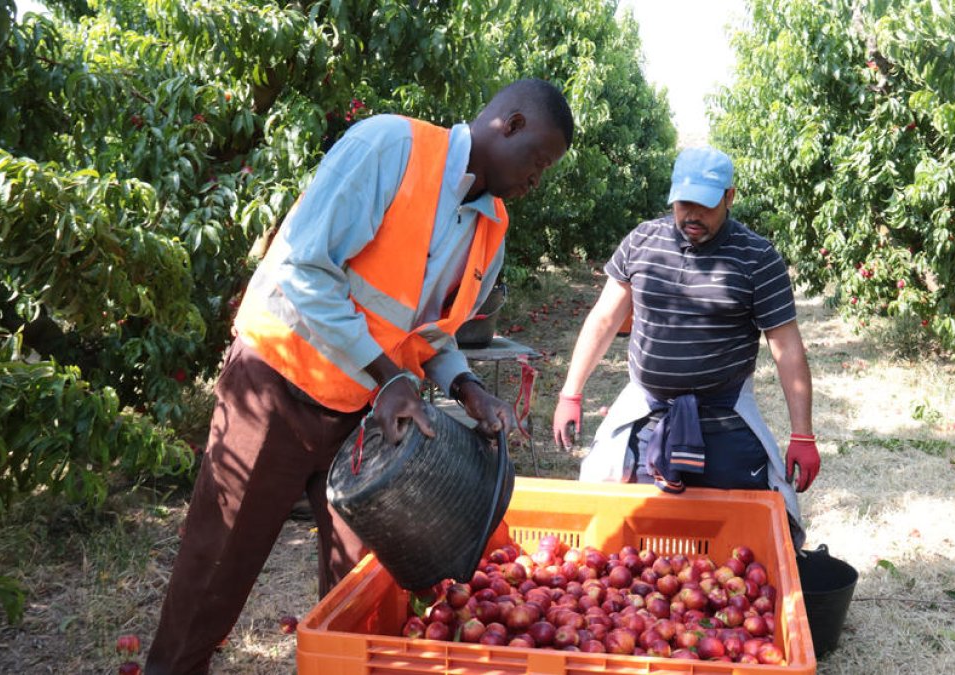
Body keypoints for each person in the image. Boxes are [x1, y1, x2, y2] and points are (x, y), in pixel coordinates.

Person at [146, 79, 573, 674]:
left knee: (363, 581)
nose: (535, 181)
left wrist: (465, 386)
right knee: (218, 564)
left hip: (363, 416)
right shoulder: (389, 148)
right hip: (277, 383)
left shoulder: (489, 230)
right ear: (512, 122)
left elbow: (431, 332)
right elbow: (304, 268)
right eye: (537, 162)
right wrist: (387, 376)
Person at [551, 146, 818, 545]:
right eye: (683, 203)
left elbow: (787, 347)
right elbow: (605, 319)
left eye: (705, 205)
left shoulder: (757, 258)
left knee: (742, 532)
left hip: (724, 416)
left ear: (729, 197)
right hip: (649, 413)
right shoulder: (642, 241)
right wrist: (570, 392)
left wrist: (802, 434)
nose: (691, 215)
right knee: (633, 530)